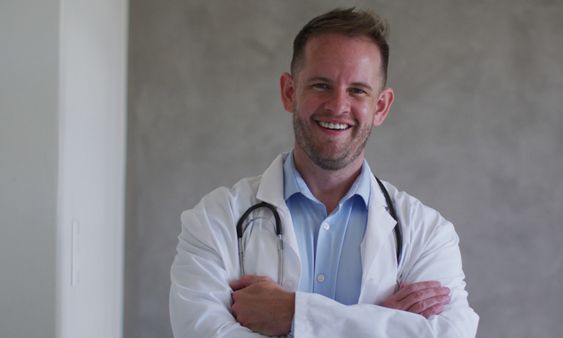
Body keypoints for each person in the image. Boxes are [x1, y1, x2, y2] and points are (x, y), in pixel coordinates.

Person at [170, 7, 479, 338]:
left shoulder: (427, 233)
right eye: (321, 85)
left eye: (357, 90)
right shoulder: (217, 221)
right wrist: (377, 323)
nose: (337, 105)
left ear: (381, 107)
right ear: (290, 92)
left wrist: (294, 315)